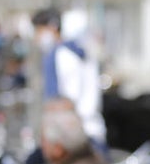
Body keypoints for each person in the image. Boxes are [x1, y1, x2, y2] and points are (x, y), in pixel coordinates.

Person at [32, 8, 107, 149]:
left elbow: (69, 99)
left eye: (39, 31)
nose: (37, 37)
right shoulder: (75, 52)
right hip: (84, 130)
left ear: (52, 27)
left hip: (79, 135)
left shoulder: (64, 55)